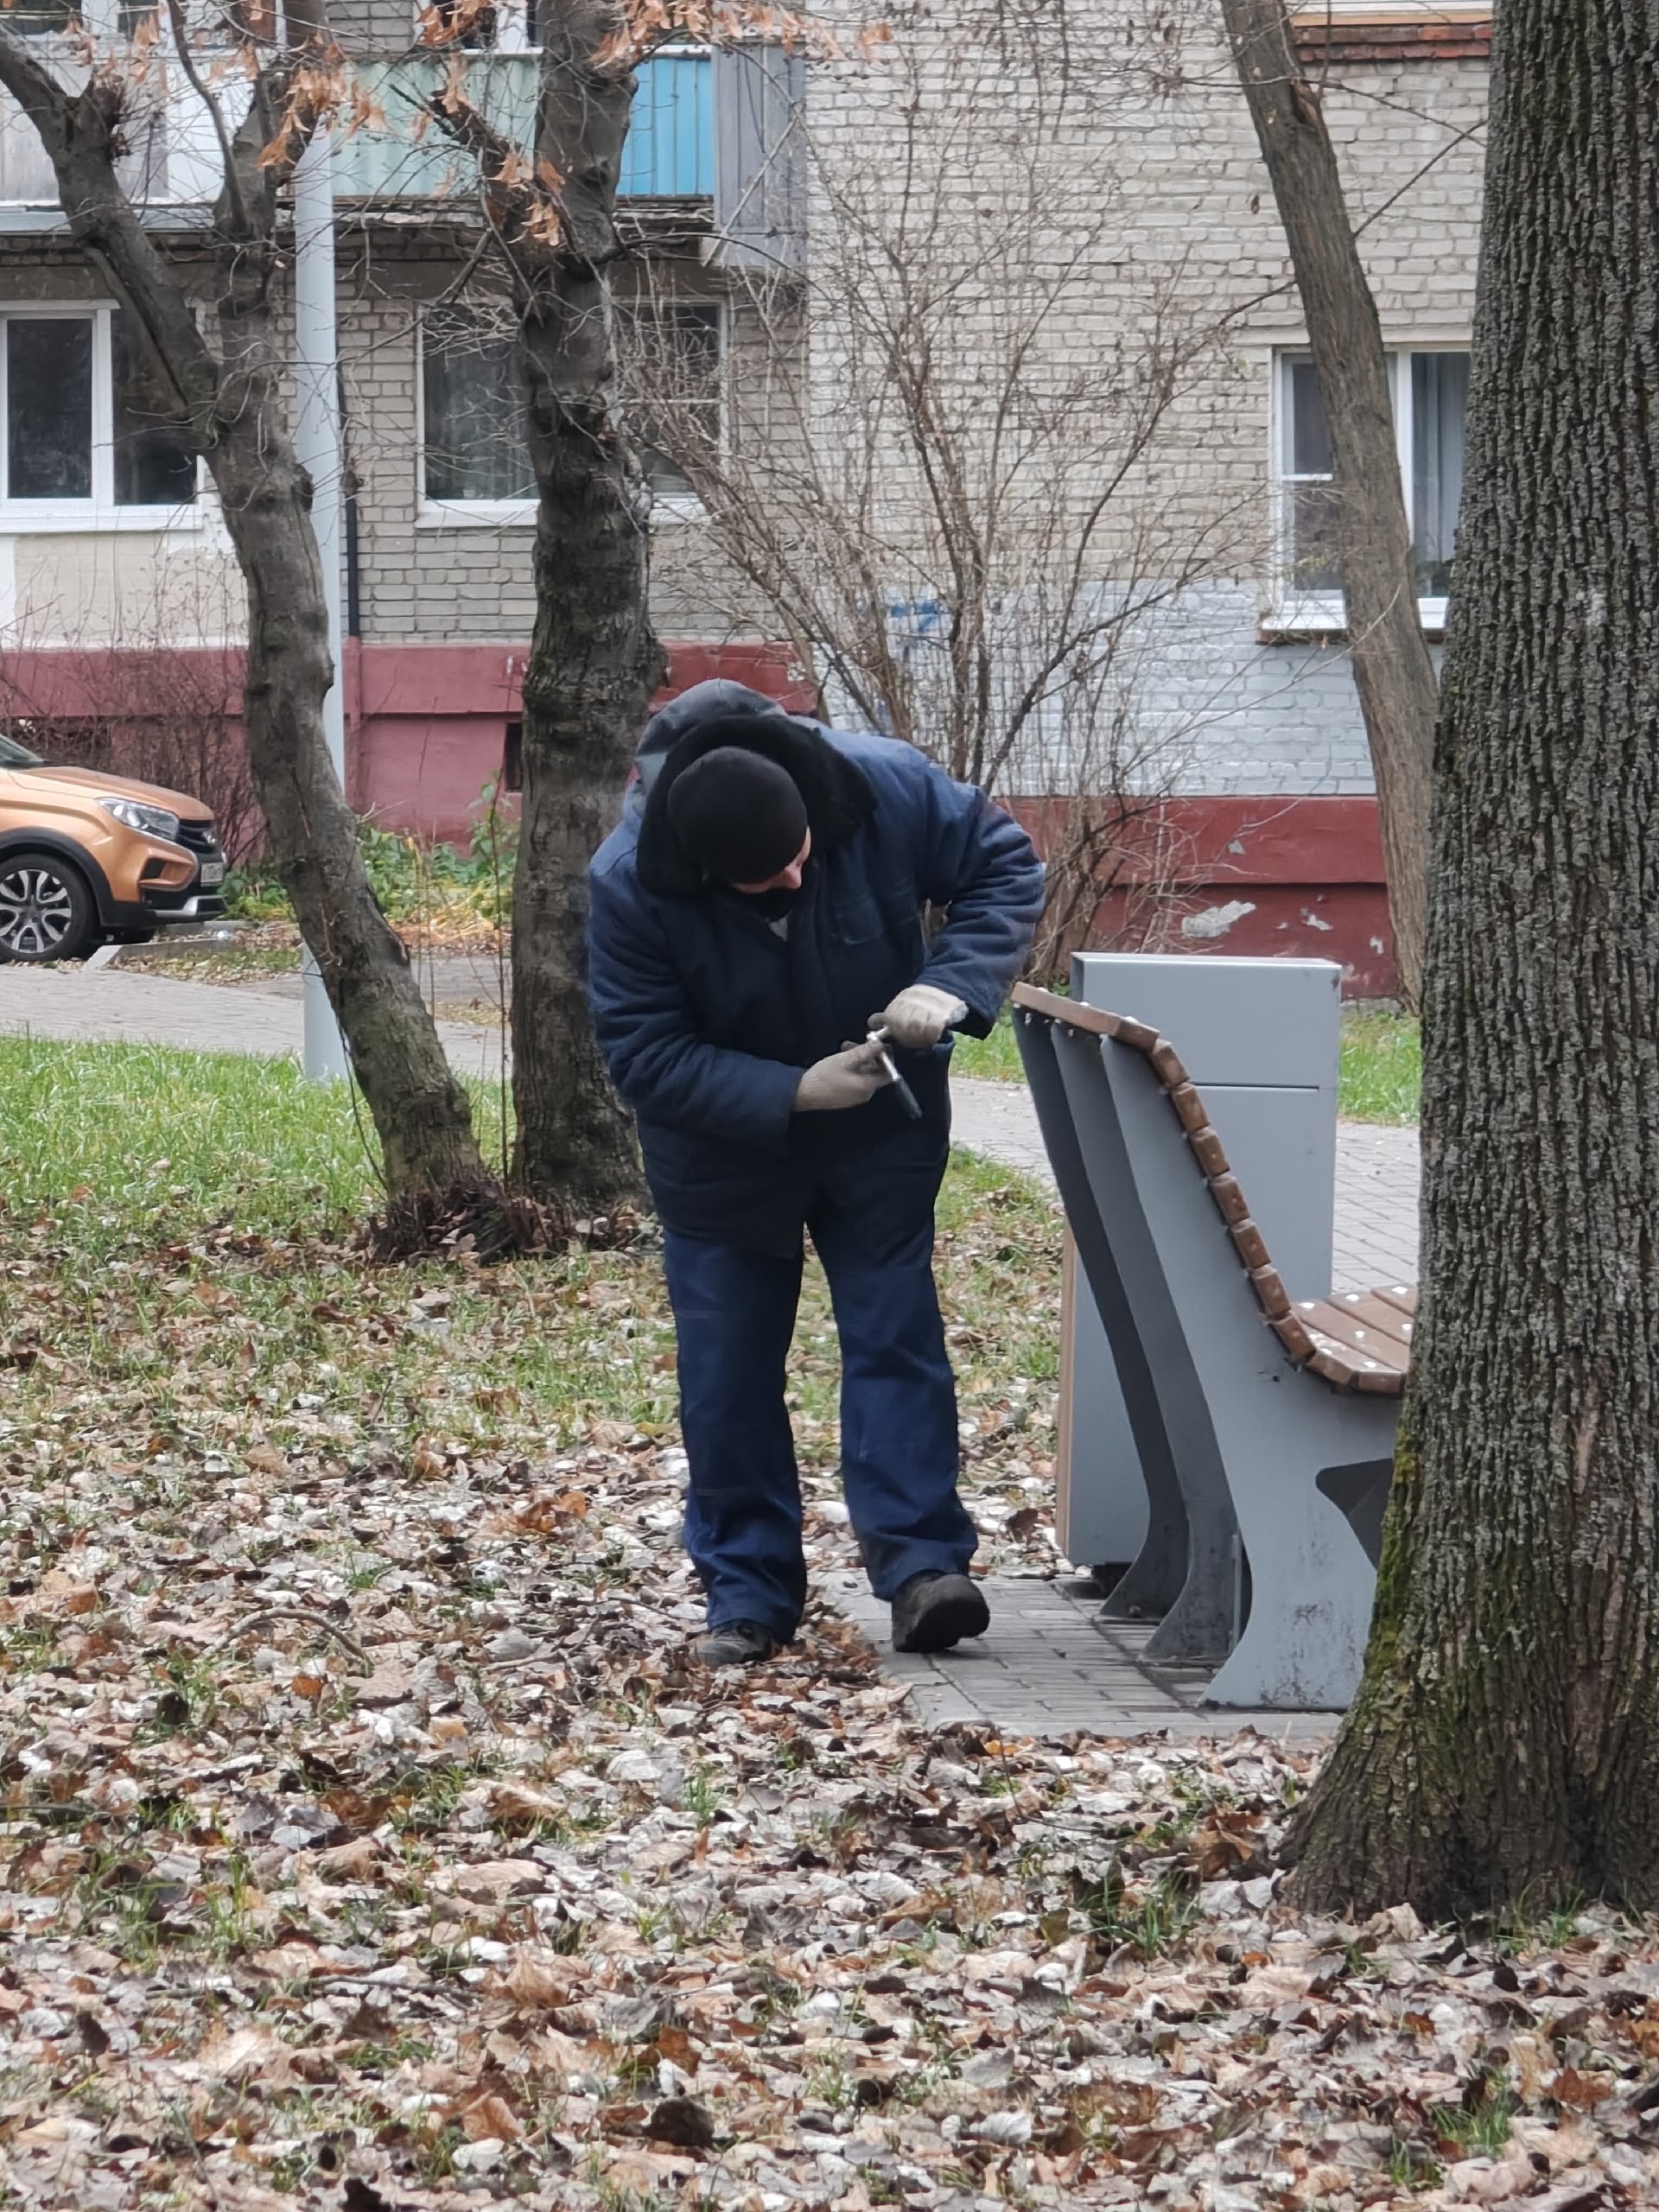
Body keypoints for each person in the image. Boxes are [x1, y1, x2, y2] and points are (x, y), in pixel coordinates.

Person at [588, 679, 1045, 1666]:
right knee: (728, 1371)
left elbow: (1005, 865)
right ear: (703, 869)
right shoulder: (630, 881)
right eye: (763, 883)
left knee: (895, 1335)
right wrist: (792, 1090)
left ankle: (925, 1570)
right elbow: (645, 1055)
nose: (794, 882)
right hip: (721, 1159)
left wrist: (949, 982)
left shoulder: (885, 788)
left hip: (882, 1131)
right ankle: (747, 1595)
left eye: (800, 859)